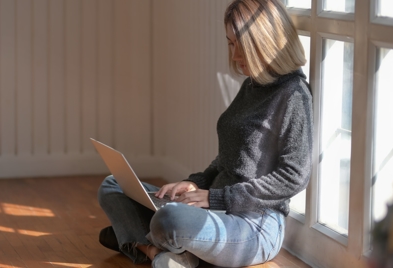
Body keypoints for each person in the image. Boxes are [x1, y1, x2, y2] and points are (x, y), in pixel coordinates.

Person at [97, 0, 312, 267]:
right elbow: (226, 159)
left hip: (254, 225)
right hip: (214, 206)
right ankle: (159, 250)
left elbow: (294, 177)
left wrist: (215, 197)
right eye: (231, 44)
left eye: (241, 45)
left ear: (265, 41)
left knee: (171, 219)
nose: (234, 55)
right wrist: (195, 184)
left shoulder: (293, 94)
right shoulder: (252, 85)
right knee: (112, 184)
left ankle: (137, 241)